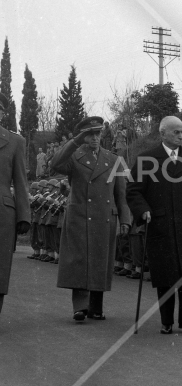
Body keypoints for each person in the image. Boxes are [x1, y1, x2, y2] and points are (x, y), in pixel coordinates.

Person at [126, 116, 182, 334]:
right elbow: (134, 191)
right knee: (166, 275)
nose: (181, 136)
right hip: (160, 226)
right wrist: (142, 210)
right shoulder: (147, 160)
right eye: (176, 132)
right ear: (163, 133)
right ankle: (167, 321)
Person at [51, 116, 131, 321]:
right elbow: (56, 163)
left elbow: (121, 195)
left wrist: (125, 220)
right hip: (80, 215)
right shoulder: (74, 156)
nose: (95, 138)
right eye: (90, 134)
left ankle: (96, 306)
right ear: (83, 136)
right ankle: (80, 306)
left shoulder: (114, 160)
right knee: (80, 259)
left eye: (98, 133)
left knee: (100, 260)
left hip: (105, 216)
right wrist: (76, 141)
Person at [0, 92, 31, 317]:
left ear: (3, 113)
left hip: (2, 213)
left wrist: (24, 216)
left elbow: (21, 181)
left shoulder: (15, 141)